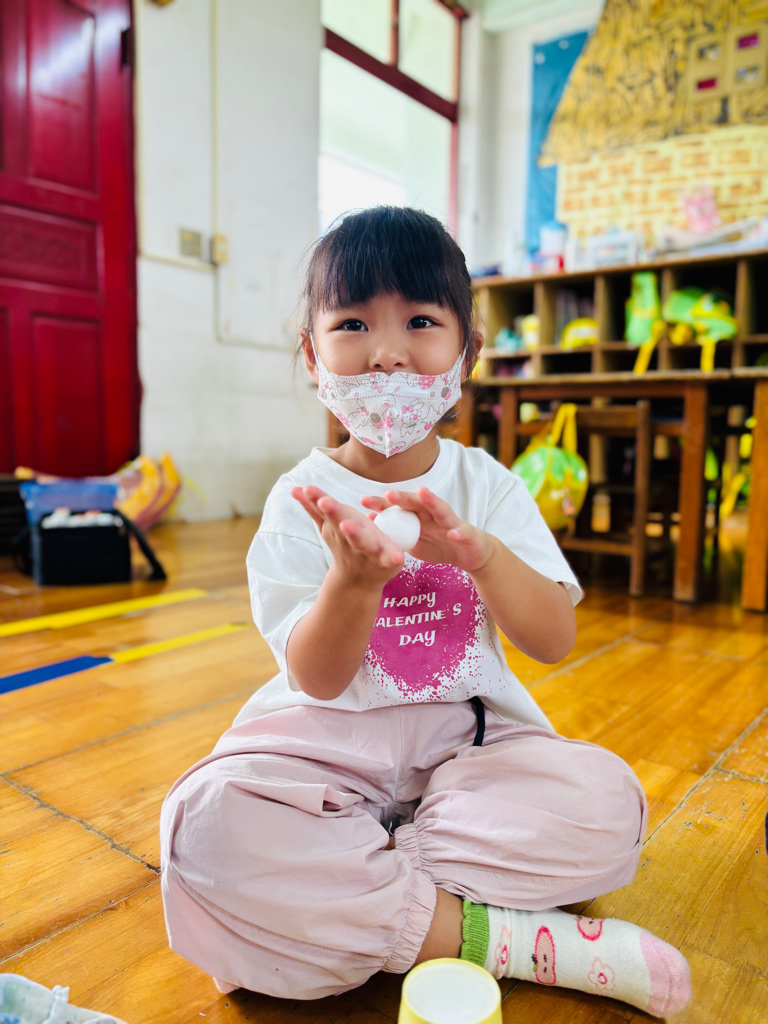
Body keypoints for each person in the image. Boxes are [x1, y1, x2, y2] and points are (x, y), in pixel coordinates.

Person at [160, 207, 691, 1017]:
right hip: (324, 754)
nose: (387, 352)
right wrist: (353, 584)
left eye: (419, 321)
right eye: (351, 324)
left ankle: (337, 899)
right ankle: (508, 939)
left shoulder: (487, 486)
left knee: (611, 807)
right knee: (205, 828)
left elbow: (554, 639)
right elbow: (317, 678)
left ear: (466, 353)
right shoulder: (300, 499)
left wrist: (484, 557)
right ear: (312, 353)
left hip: (467, 753)